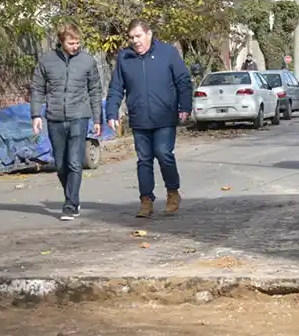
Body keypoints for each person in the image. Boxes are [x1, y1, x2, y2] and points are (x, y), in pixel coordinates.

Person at [105, 18, 193, 218]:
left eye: (138, 36)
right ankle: (146, 200)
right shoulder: (124, 58)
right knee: (144, 159)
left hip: (164, 115)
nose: (135, 41)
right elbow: (116, 87)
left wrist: (185, 106)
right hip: (139, 117)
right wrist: (111, 112)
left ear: (149, 34)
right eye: (131, 37)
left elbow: (183, 81)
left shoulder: (167, 53)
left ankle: (172, 192)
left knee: (163, 153)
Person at [30, 23, 102, 221]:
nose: (75, 46)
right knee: (61, 164)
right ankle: (71, 197)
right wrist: (36, 115)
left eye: (78, 42)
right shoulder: (47, 61)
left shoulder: (87, 61)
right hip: (54, 117)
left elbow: (95, 90)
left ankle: (70, 204)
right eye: (71, 43)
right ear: (61, 42)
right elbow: (37, 88)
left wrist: (97, 118)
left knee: (74, 162)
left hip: (79, 116)